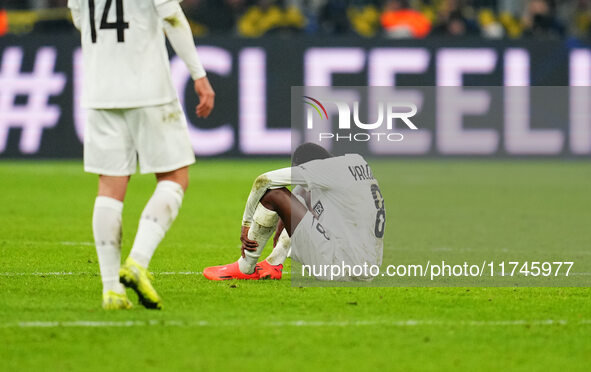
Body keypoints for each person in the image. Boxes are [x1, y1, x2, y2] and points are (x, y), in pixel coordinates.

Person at [68, 0, 215, 310]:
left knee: (109, 186)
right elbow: (173, 17)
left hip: (99, 91)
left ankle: (111, 291)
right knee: (175, 177)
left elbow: (80, 21)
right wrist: (198, 74)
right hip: (149, 90)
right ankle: (137, 262)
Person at [203, 143, 385, 282]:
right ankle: (274, 264)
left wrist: (246, 224)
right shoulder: (354, 163)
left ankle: (245, 267)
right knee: (301, 197)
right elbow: (298, 196)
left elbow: (263, 180)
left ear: (312, 166)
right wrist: (284, 222)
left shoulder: (324, 171)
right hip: (368, 269)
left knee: (274, 193)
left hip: (338, 267)